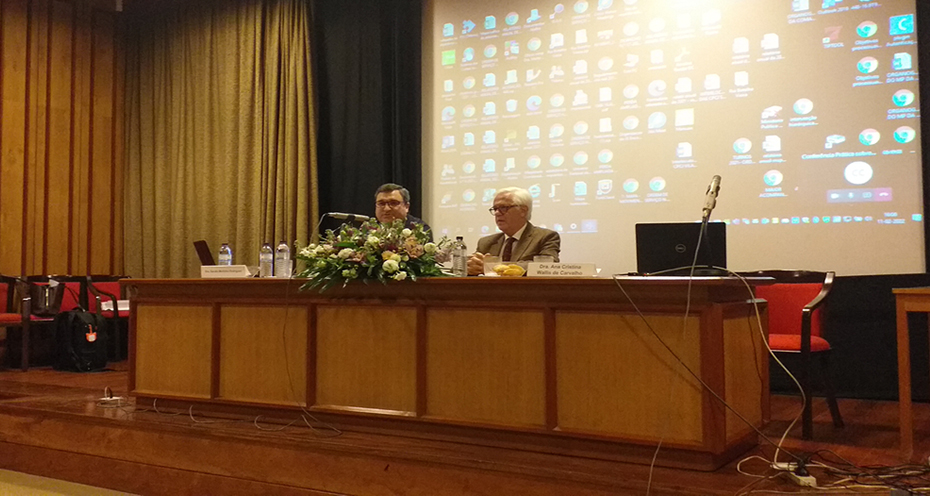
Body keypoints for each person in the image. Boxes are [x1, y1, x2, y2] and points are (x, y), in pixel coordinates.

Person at [467, 187, 560, 275]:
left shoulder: (545, 237)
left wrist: (493, 267)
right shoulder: (486, 242)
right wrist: (472, 267)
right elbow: (473, 269)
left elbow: (547, 267)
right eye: (495, 209)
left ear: (523, 211)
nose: (497, 213)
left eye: (503, 208)